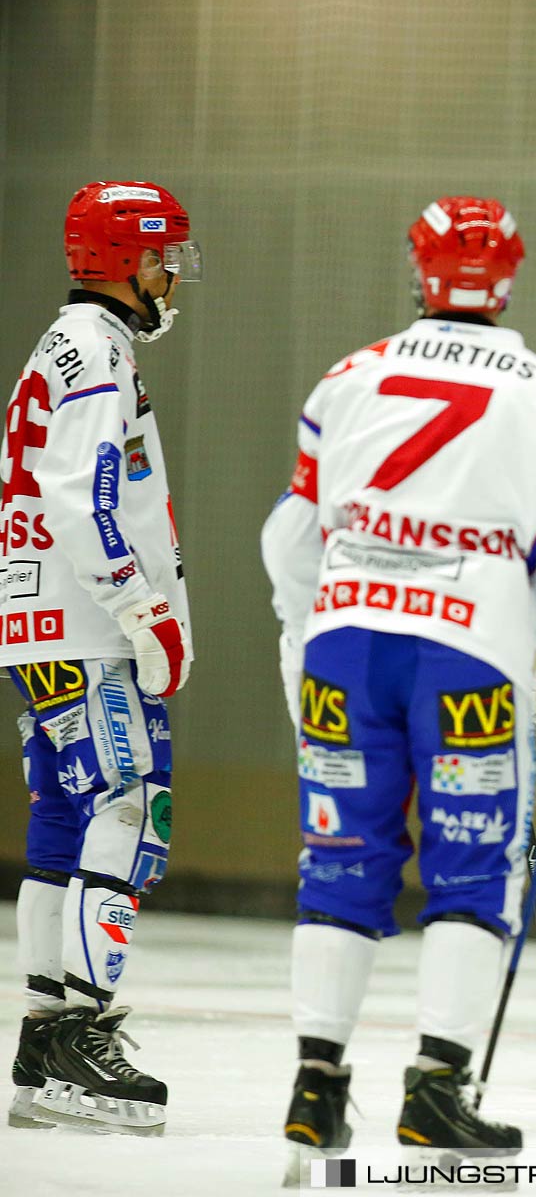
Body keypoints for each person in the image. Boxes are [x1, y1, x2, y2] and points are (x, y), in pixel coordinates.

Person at [260, 196, 536, 1172]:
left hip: (346, 643)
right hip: (468, 652)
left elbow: (291, 534)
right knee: (473, 871)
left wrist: (303, 640)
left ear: (418, 269)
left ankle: (315, 1081)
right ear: (509, 276)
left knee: (338, 862)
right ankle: (436, 1089)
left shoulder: (348, 376)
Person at [2, 181, 200, 1135]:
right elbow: (85, 495)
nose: (172, 278)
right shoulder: (99, 350)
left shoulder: (63, 343)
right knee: (130, 802)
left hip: (37, 617)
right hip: (85, 625)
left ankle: (43, 1046)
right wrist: (145, 608)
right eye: (165, 259)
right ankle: (84, 1032)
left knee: (62, 822)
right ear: (129, 262)